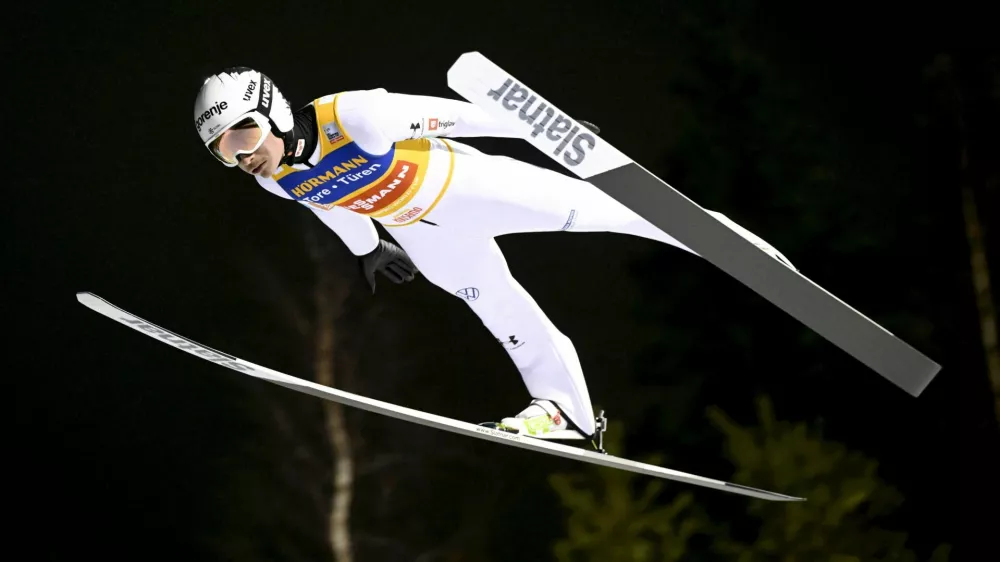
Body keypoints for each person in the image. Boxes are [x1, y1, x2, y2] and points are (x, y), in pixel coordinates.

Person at [192, 66, 794, 444]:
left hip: (470, 187)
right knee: (500, 312)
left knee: (612, 212)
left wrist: (538, 129)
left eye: (242, 135)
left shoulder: (354, 115)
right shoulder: (275, 179)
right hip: (426, 234)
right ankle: (565, 410)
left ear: (269, 110)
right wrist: (371, 248)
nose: (240, 155)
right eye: (223, 151)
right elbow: (329, 204)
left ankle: (740, 249)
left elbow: (452, 114)